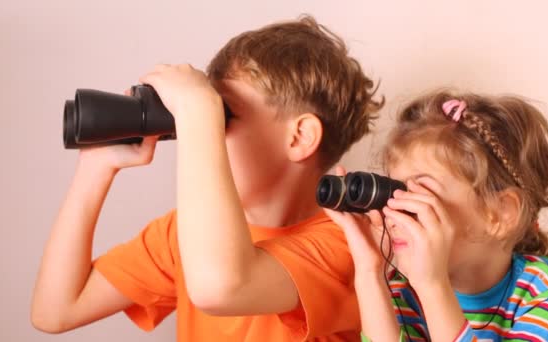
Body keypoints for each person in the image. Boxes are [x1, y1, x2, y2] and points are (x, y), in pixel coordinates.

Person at [31, 16, 384, 341]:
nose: (203, 136)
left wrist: (197, 111)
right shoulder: (182, 234)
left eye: (223, 117)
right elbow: (56, 311)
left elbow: (220, 287)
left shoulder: (349, 244)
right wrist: (97, 167)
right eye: (209, 117)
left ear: (299, 137)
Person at [326, 90, 548, 341]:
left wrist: (433, 287)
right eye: (394, 191)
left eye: (422, 195)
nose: (394, 212)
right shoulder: (403, 290)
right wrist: (370, 271)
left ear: (499, 213)